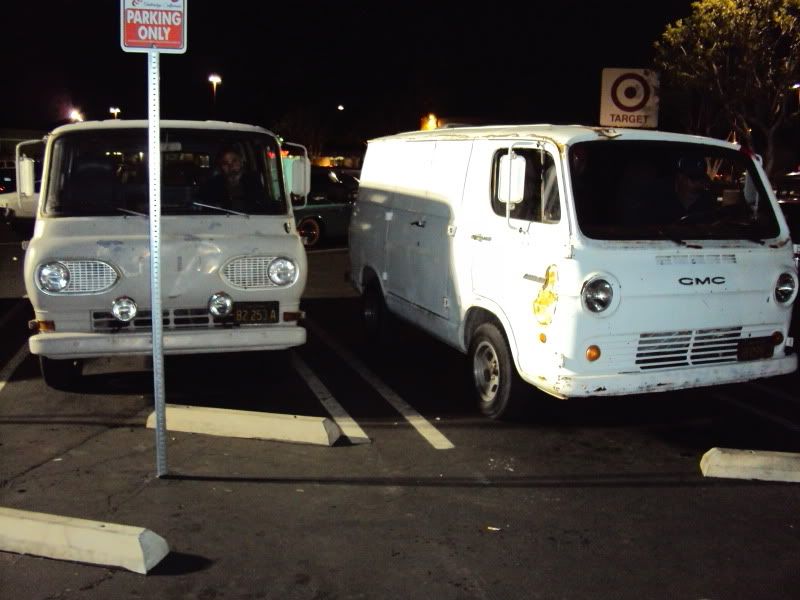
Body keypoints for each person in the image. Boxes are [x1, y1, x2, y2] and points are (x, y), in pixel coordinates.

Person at [201, 147, 264, 212]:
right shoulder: (213, 186)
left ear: (241, 161)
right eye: (225, 163)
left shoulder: (254, 181)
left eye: (234, 161)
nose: (230, 166)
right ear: (221, 167)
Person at [663, 156, 716, 222]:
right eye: (694, 179)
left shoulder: (707, 201)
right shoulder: (661, 200)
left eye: (701, 180)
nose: (699, 184)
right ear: (680, 178)